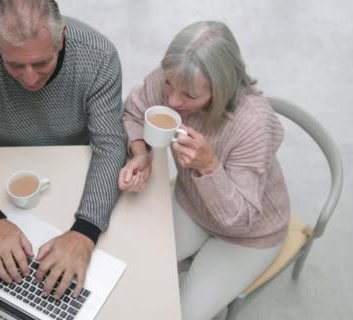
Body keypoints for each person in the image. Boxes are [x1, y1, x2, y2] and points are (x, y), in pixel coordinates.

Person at [0, 0, 126, 300]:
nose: (30, 79)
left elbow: (111, 147)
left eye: (41, 62)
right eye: (15, 65)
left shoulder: (100, 56)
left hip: (74, 169)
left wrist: (86, 231)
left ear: (62, 38)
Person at [119, 21, 290, 319]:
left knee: (181, 313)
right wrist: (139, 151)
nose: (172, 100)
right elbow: (135, 109)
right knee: (133, 263)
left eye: (189, 95)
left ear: (221, 89)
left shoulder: (253, 124)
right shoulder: (175, 76)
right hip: (192, 203)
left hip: (248, 233)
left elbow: (241, 220)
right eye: (169, 84)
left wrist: (209, 167)